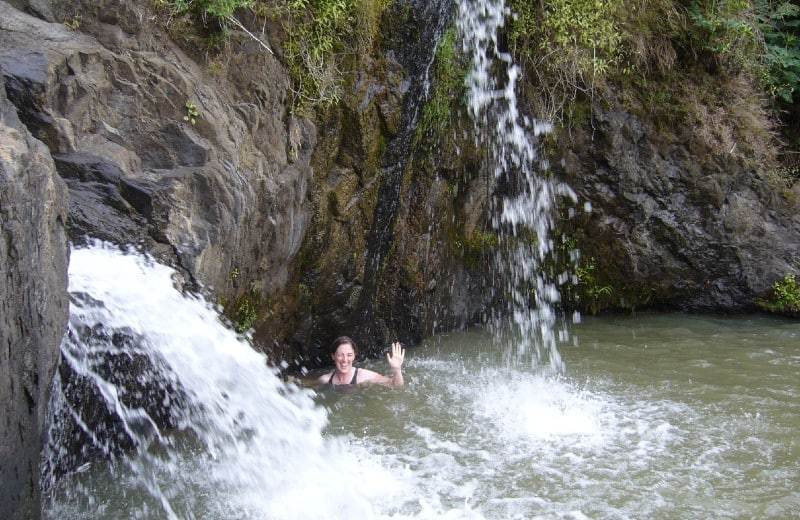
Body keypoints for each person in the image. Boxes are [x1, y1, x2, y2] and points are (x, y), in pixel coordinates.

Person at [317, 336, 405, 388]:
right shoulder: (325, 379)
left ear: (354, 356)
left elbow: (395, 385)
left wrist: (397, 369)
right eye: (340, 355)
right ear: (333, 356)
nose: (345, 360)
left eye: (349, 355)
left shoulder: (363, 376)